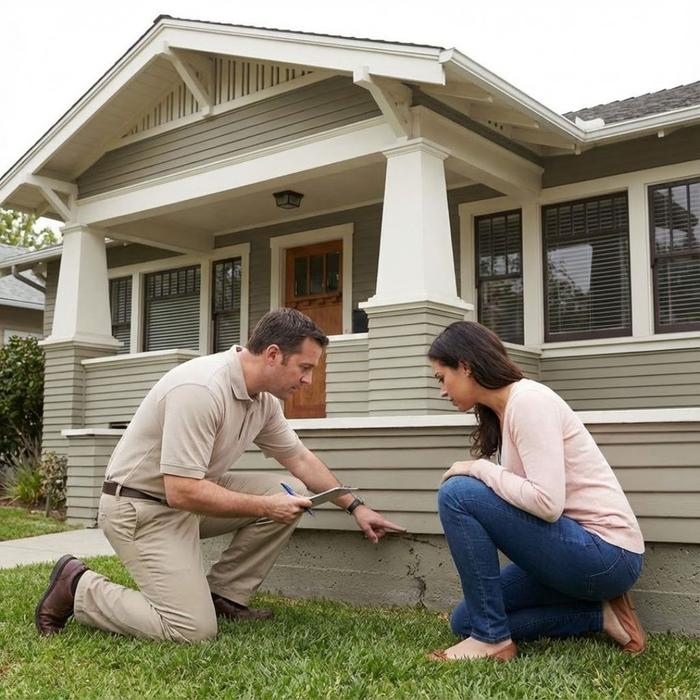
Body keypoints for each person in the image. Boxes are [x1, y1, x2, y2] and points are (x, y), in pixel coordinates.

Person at [35, 308, 405, 642]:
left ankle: (224, 595)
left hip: (184, 503)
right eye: (305, 368)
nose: (308, 380)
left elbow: (300, 459)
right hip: (140, 510)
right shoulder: (200, 389)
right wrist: (267, 506)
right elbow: (180, 491)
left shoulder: (262, 401)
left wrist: (355, 507)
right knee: (191, 630)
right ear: (274, 355)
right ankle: (78, 585)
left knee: (290, 489)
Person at [426, 321, 645, 662]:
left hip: (606, 556)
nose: (442, 390)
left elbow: (547, 503)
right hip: (575, 553)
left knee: (458, 493)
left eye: (442, 377)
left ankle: (491, 641)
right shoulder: (504, 411)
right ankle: (599, 615)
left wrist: (480, 468)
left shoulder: (528, 401)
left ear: (465, 367)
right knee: (466, 619)